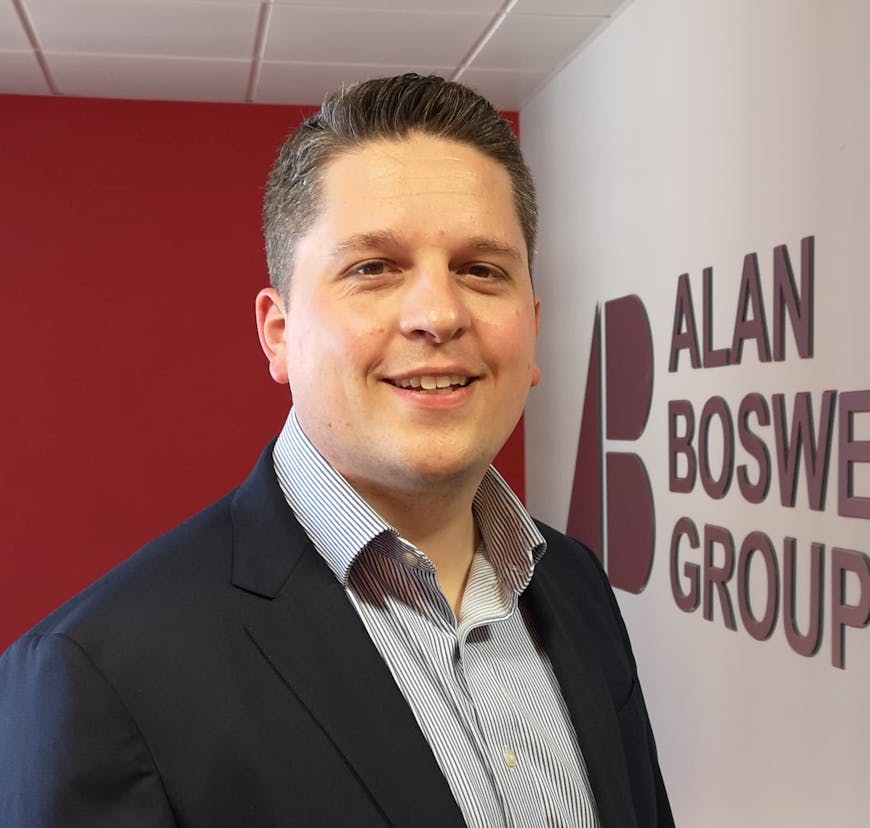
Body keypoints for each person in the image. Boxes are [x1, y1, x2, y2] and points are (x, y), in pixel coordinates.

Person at [0, 74, 673, 827]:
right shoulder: (98, 675)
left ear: (533, 329)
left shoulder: (577, 584)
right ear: (278, 334)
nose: (438, 314)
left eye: (481, 270)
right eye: (373, 268)